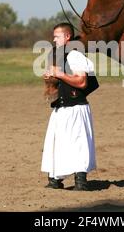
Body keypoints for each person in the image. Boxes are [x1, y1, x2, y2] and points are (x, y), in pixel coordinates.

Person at [41, 23, 97, 191]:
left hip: (76, 108)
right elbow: (61, 81)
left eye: (57, 36)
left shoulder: (75, 56)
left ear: (67, 37)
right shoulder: (59, 55)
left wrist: (60, 74)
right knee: (55, 142)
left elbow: (82, 81)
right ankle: (55, 180)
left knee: (78, 143)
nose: (53, 39)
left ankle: (81, 182)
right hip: (61, 108)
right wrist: (50, 78)